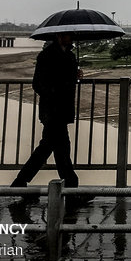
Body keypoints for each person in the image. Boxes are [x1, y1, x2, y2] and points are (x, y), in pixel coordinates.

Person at [11, 32, 82, 188]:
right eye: (68, 35)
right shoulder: (47, 55)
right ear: (59, 36)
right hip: (52, 109)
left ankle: (20, 182)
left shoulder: (70, 56)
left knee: (51, 147)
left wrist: (76, 75)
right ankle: (71, 185)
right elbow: (38, 83)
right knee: (58, 147)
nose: (71, 37)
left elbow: (68, 81)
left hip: (63, 109)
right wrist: (54, 92)